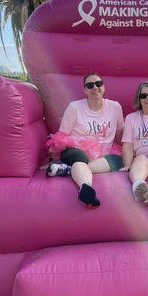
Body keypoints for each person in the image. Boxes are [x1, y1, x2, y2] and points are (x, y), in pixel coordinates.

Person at [45, 73, 124, 209]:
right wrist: (51, 159)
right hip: (75, 149)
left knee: (117, 160)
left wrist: (125, 151)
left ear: (104, 87)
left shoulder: (115, 107)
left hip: (103, 152)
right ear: (85, 90)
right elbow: (62, 135)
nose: (95, 87)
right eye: (90, 85)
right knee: (80, 158)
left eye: (98, 84)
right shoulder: (74, 107)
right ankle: (86, 186)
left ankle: (68, 170)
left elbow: (120, 132)